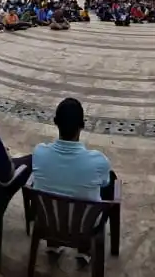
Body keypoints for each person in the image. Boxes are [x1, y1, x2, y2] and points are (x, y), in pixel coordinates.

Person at [31, 98, 116, 267]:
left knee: (54, 186)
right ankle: (84, 250)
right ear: (82, 125)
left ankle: (53, 244)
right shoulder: (98, 161)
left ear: (56, 123)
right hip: (85, 226)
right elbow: (105, 183)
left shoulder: (39, 152)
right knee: (110, 181)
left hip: (48, 221)